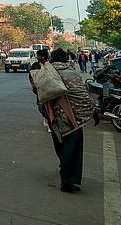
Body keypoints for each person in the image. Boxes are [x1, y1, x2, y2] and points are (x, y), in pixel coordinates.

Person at [41, 49, 98, 193]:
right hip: (73, 116)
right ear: (66, 59)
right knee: (72, 147)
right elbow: (82, 94)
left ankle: (64, 169)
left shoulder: (46, 72)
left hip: (54, 116)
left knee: (60, 145)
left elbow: (39, 93)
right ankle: (67, 179)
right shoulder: (71, 72)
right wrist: (93, 110)